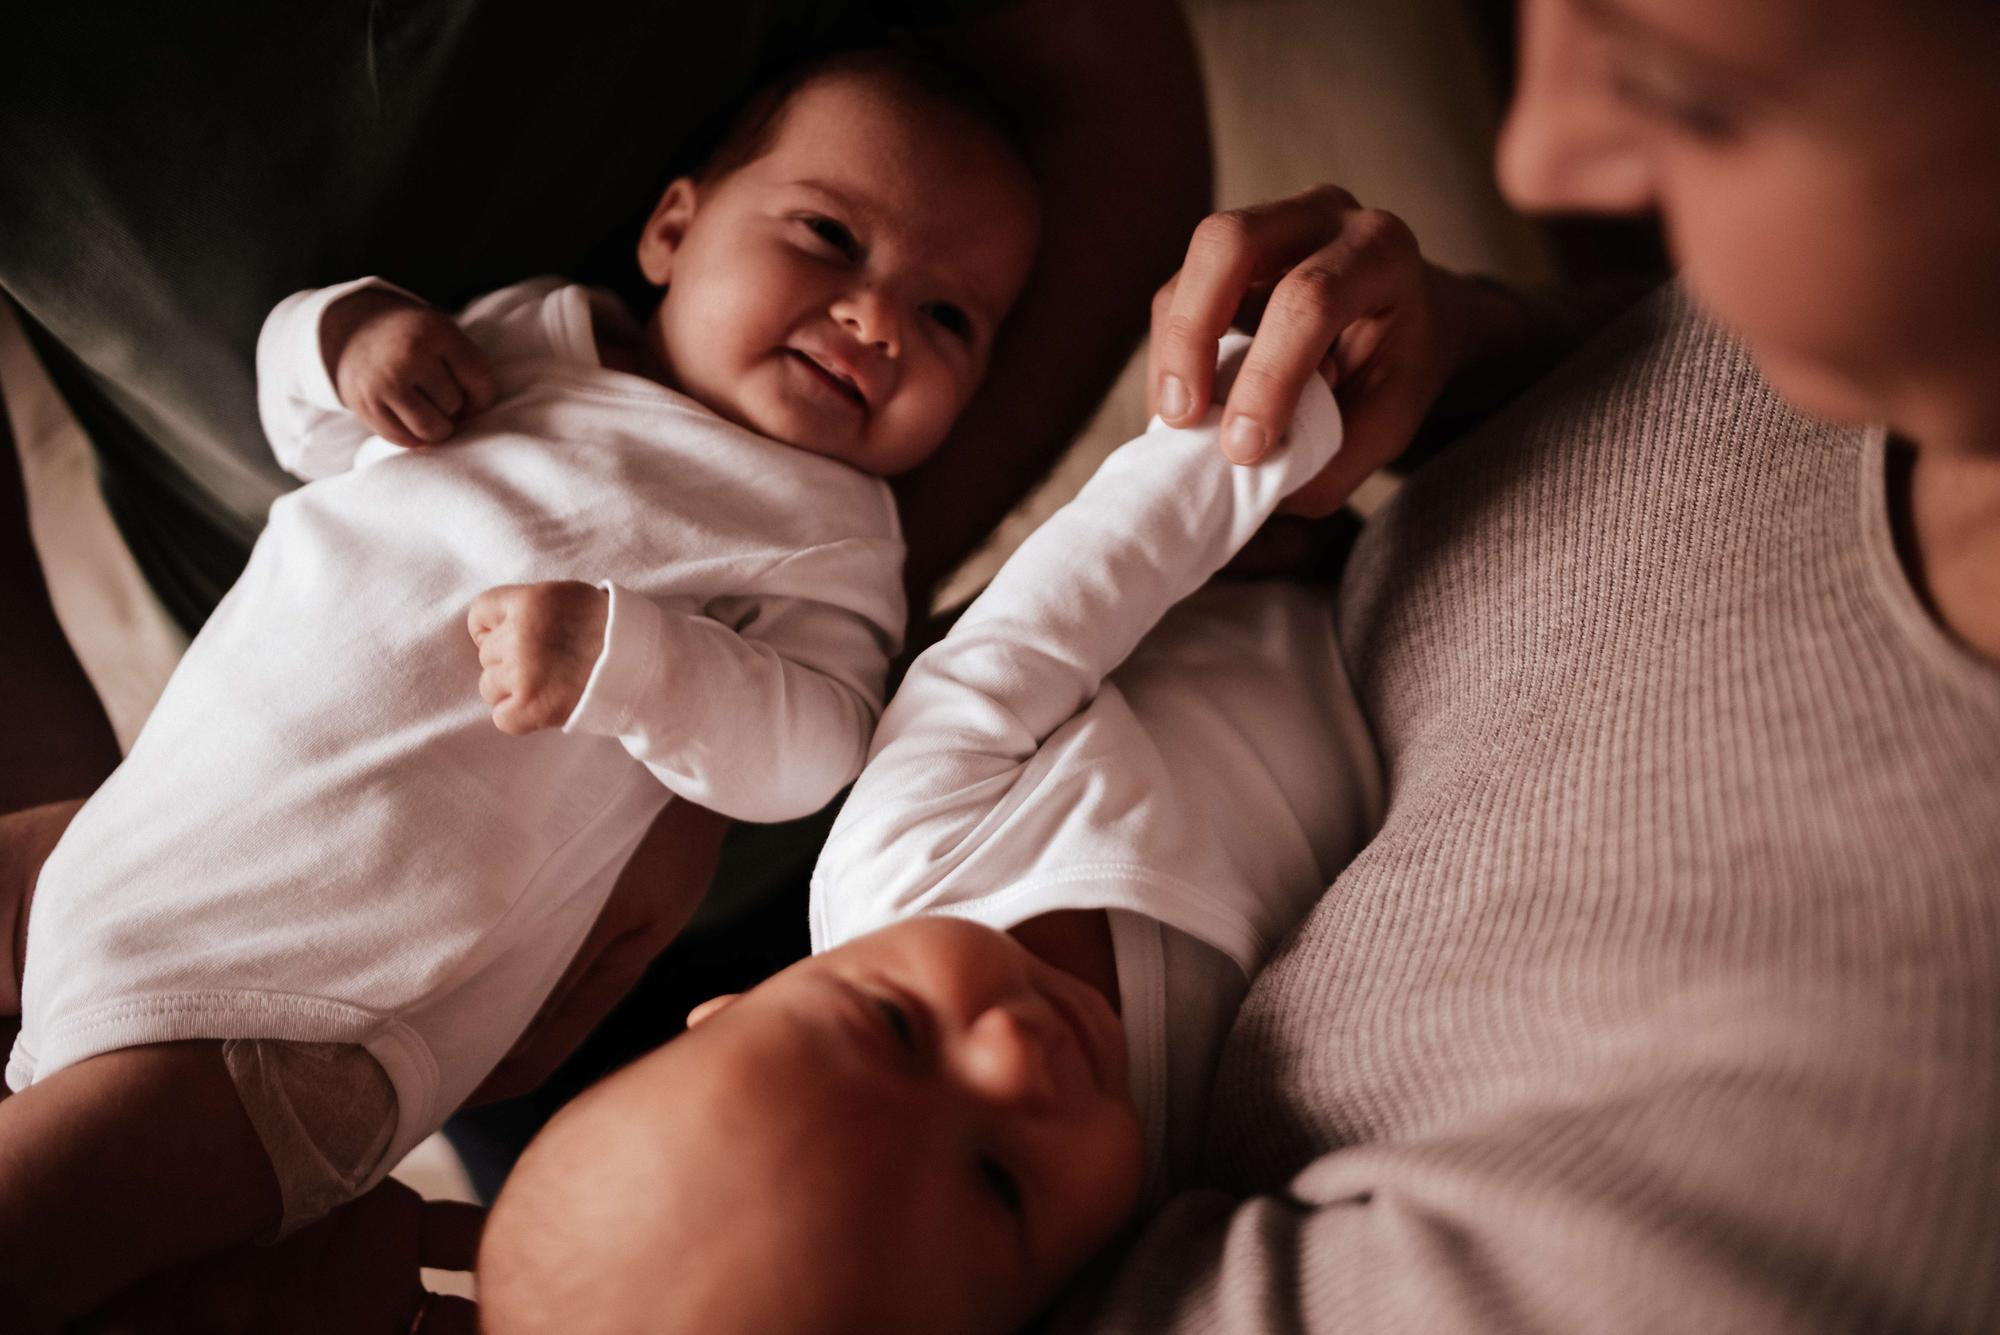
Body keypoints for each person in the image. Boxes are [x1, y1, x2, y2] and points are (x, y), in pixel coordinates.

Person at [0, 48, 1042, 1332]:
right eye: (830, 237)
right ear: (671, 230)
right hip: (135, 844)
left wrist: (632, 664)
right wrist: (345, 340)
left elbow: (815, 744)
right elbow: (311, 427)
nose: (878, 321)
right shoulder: (526, 340)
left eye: (950, 320)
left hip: (328, 992)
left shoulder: (833, 538)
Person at [1045, 0, 1998, 1328]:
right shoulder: (1902, 333)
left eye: (1687, 90)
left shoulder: (1837, 1178)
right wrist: (1489, 367)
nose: (1537, 157)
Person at [474, 333, 1380, 1334]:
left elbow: (1075, 590)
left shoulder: (906, 839)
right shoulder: (1165, 1197)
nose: (1008, 1055)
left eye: (895, 1028)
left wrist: (1253, 420)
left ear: (736, 1008)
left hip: (1314, 578)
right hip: (1431, 725)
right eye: (997, 1185)